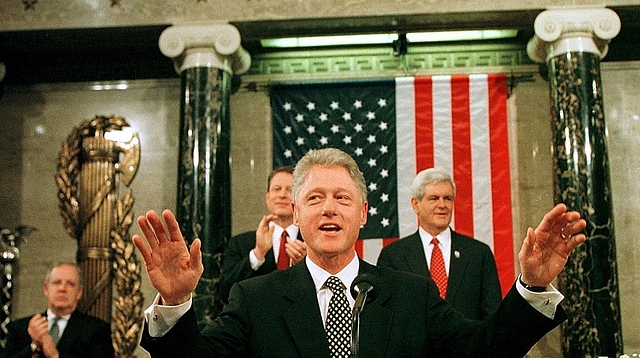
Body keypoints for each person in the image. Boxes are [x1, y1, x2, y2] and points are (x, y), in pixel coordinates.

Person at [132, 147, 587, 358]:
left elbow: (485, 350)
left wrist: (532, 285)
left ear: (364, 212)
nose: (329, 209)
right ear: (295, 211)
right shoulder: (256, 299)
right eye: (314, 198)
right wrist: (174, 303)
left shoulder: (412, 294)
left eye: (343, 198)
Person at [377, 167, 502, 320]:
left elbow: (493, 316)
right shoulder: (393, 256)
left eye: (448, 198)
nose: (442, 205)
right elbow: (386, 315)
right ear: (416, 204)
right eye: (434, 198)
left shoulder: (478, 253)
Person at [218, 165, 306, 304]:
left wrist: (306, 265)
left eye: (290, 190)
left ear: (300, 198)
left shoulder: (313, 242)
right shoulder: (241, 243)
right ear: (267, 197)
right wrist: (257, 254)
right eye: (277, 189)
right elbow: (224, 292)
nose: (282, 195)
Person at [1, 262, 114, 358]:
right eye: (57, 283)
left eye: (70, 284)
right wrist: (34, 346)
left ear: (79, 292)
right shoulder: (20, 328)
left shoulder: (97, 331)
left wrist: (54, 355)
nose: (62, 288)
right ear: (46, 289)